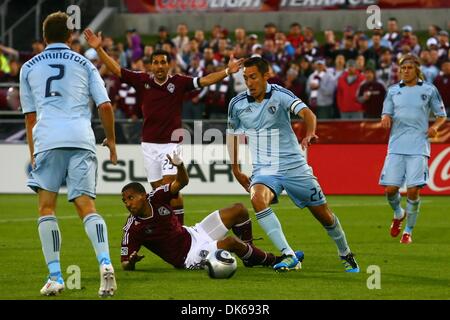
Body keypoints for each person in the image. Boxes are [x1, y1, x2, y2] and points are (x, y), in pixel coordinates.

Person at [84, 28, 243, 226]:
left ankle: (182, 230)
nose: (159, 66)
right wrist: (99, 49)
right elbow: (117, 70)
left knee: (171, 188)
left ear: (169, 65)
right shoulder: (142, 81)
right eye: (156, 62)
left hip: (171, 144)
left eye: (163, 62)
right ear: (151, 65)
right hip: (149, 145)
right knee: (159, 193)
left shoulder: (179, 82)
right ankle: (171, 231)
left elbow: (205, 80)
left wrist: (228, 71)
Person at [227, 57, 359, 273]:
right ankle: (289, 254)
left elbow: (308, 113)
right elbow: (232, 135)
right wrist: (235, 168)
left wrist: (310, 133)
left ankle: (345, 252)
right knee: (257, 198)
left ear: (265, 75)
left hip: (294, 167)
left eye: (253, 77)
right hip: (265, 169)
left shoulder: (280, 95)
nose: (249, 83)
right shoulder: (237, 104)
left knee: (324, 216)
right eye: (245, 78)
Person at [20, 12, 118, 296]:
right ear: (69, 36)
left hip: (48, 139)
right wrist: (110, 141)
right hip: (81, 138)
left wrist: (33, 152)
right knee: (87, 206)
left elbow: (30, 117)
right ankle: (105, 263)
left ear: (44, 37)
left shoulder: (28, 67)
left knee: (46, 208)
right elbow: (106, 106)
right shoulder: (86, 63)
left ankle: (56, 277)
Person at [120, 148, 302, 271]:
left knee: (239, 209)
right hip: (189, 257)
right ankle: (273, 260)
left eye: (130, 198)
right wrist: (132, 262)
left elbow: (181, 182)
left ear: (143, 195)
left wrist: (180, 166)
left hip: (193, 233)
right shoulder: (132, 228)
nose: (127, 203)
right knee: (230, 242)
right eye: (124, 201)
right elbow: (125, 263)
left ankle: (249, 255)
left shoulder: (157, 196)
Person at [380, 53, 447, 244]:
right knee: (390, 190)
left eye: (409, 68)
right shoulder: (393, 91)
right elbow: (386, 112)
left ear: (417, 70)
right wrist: (385, 117)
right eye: (402, 68)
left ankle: (408, 231)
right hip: (396, 145)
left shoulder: (429, 90)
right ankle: (398, 213)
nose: (405, 71)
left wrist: (435, 127)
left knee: (412, 191)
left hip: (418, 146)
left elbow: (441, 115)